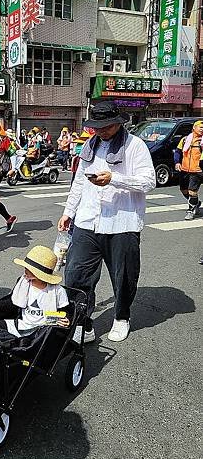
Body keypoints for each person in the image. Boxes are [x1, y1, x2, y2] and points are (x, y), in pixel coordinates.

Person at [58, 101, 156, 343]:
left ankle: (122, 317)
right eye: (96, 126)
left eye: (106, 126)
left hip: (122, 223)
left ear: (117, 123)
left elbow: (149, 181)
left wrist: (114, 179)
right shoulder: (88, 146)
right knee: (75, 275)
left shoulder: (135, 146)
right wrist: (68, 212)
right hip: (87, 221)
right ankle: (83, 322)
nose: (100, 131)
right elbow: (79, 182)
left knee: (123, 275)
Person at [0, 246, 70, 338]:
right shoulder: (24, 283)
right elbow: (13, 302)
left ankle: (13, 342)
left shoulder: (58, 291)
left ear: (39, 273)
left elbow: (65, 311)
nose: (25, 270)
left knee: (39, 339)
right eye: (26, 267)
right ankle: (12, 342)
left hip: (44, 328)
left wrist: (66, 319)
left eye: (29, 268)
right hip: (24, 324)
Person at [174, 120, 203, 220]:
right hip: (185, 169)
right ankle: (196, 203)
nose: (202, 128)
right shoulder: (185, 139)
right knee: (184, 190)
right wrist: (177, 162)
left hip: (197, 170)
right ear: (194, 128)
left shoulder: (202, 141)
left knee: (192, 191)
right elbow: (177, 152)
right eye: (200, 126)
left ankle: (190, 211)